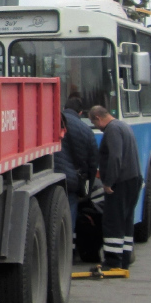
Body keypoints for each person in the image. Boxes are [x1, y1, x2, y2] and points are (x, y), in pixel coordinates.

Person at [88, 105, 142, 270]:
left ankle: (112, 261)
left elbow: (115, 157)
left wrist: (109, 182)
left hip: (120, 182)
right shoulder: (123, 125)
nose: (96, 127)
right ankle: (125, 257)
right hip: (133, 179)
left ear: (98, 118)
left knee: (113, 221)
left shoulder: (112, 130)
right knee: (126, 221)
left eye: (94, 123)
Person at [53, 96, 96, 232]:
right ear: (80, 113)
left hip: (49, 176)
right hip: (71, 181)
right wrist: (88, 185)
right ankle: (68, 242)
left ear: (64, 108)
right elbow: (93, 162)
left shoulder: (52, 122)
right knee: (69, 213)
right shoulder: (86, 130)